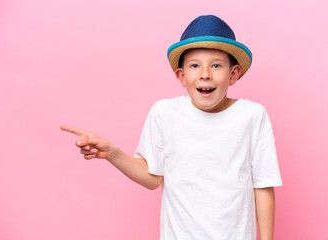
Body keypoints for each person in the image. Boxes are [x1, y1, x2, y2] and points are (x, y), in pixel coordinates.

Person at [61, 15, 283, 240]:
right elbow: (152, 178)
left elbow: (263, 185)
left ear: (233, 74)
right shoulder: (164, 113)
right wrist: (112, 153)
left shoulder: (252, 116)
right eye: (195, 65)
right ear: (181, 76)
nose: (205, 73)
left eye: (216, 65)